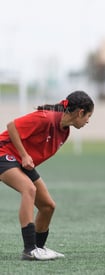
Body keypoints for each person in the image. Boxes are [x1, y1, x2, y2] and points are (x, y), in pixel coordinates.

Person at [0, 91, 94, 260]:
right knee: (28, 189)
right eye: (88, 116)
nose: (88, 120)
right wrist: (24, 155)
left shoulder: (64, 132)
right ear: (80, 112)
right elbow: (11, 126)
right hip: (4, 153)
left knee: (48, 206)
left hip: (20, 161)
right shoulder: (47, 118)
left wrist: (24, 159)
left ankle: (39, 248)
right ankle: (29, 250)